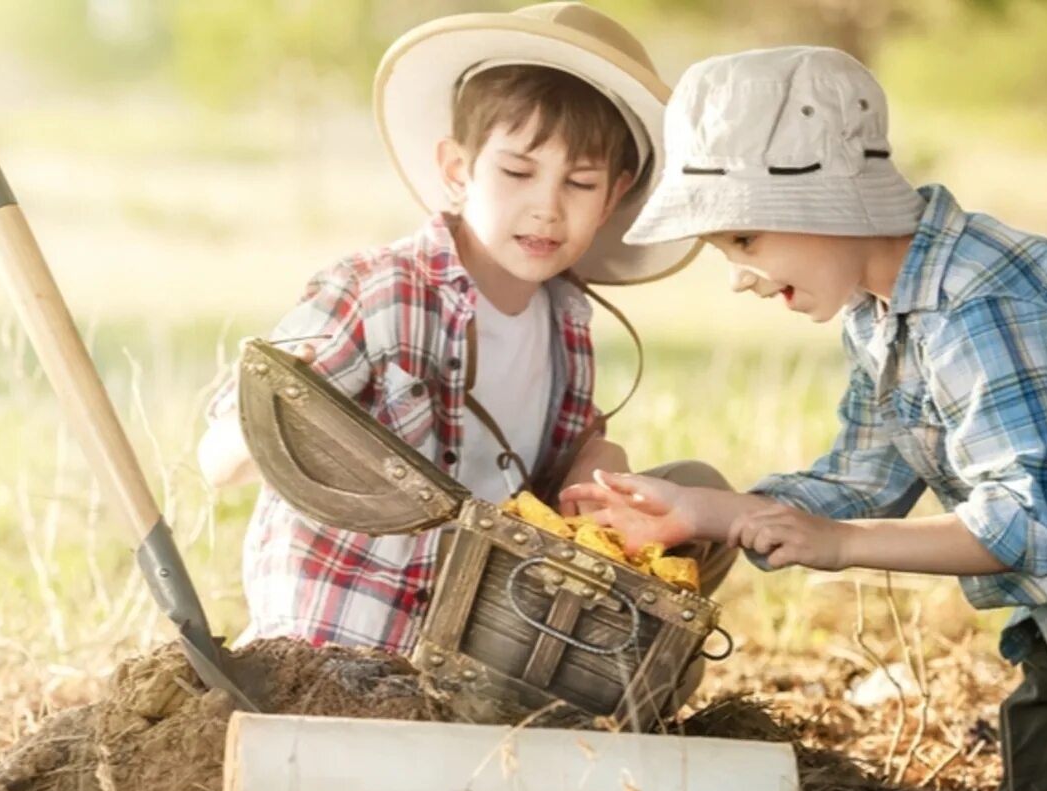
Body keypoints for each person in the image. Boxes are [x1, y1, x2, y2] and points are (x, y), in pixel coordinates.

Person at [561, 45, 1047, 791]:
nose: (738, 277)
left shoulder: (980, 299)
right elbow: (863, 477)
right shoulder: (879, 310)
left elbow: (1030, 522)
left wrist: (841, 543)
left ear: (828, 202)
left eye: (744, 240)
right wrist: (704, 511)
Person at [197, 3, 736, 653]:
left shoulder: (565, 323)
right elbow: (219, 459)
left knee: (698, 491)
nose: (546, 206)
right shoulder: (376, 292)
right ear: (458, 168)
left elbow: (560, 461)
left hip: (488, 631)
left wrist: (597, 465)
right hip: (350, 633)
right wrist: (287, 415)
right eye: (517, 172)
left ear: (614, 194)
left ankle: (601, 688)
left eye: (580, 182)